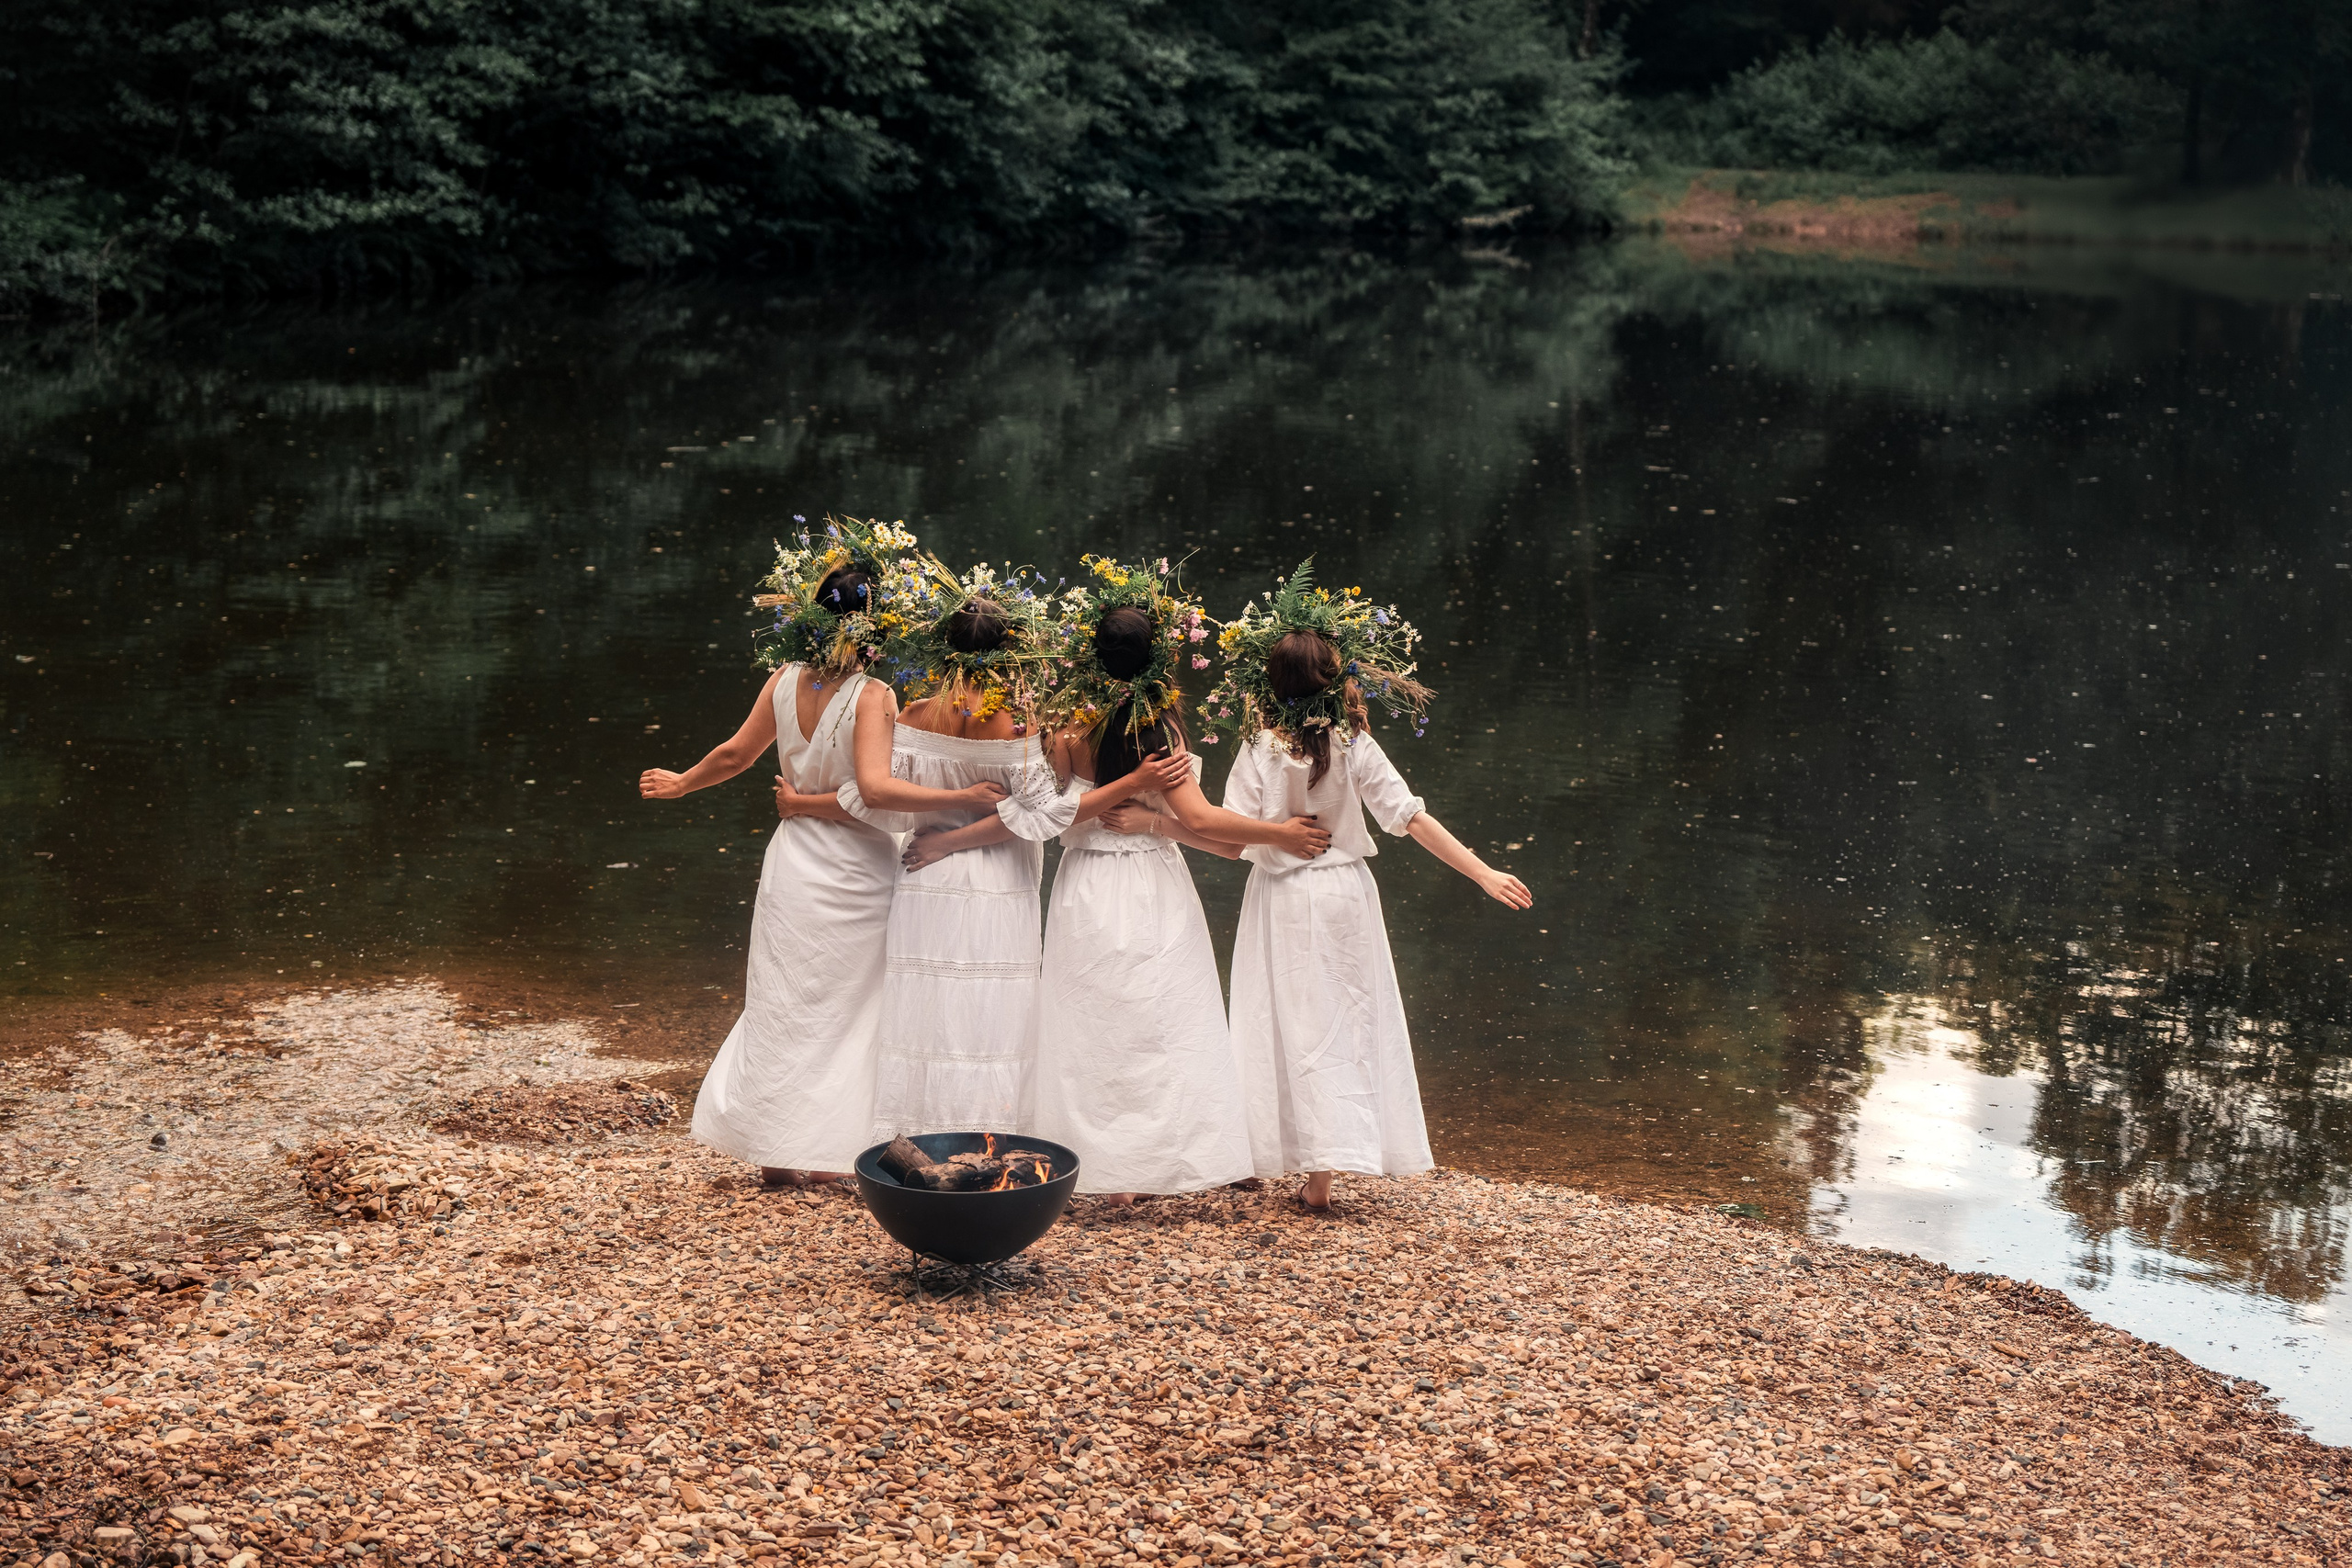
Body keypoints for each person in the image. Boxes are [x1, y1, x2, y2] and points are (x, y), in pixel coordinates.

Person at [899, 558, 1332, 1201]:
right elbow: (1202, 819)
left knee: (1089, 1023)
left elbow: (1051, 813)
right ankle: (1160, 1163)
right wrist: (1282, 835)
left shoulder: (1067, 724)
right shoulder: (1159, 725)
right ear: (1156, 657)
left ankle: (1098, 1168)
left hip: (1085, 884)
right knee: (1161, 1020)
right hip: (1150, 881)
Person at [638, 519, 995, 1186]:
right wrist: (963, 799)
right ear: (875, 627)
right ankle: (825, 1150)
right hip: (853, 867)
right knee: (848, 1005)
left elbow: (737, 754)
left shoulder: (784, 678)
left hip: (794, 859)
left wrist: (683, 781)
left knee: (787, 998)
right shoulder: (874, 695)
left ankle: (777, 1150)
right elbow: (876, 789)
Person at [775, 559, 1157, 1141]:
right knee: (991, 1012)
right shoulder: (1017, 724)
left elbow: (873, 798)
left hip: (922, 874)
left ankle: (918, 1137)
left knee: (925, 1007)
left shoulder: (912, 713)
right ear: (1010, 652)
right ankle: (987, 1136)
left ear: (944, 648)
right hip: (997, 885)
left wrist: (808, 805)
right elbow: (1043, 818)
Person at [1204, 559, 1532, 1210]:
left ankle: (1274, 1149)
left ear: (1269, 683)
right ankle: (1320, 1179)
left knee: (1285, 1022)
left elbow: (1233, 834)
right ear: (1334, 679)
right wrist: (1483, 871)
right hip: (1345, 895)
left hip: (1282, 899)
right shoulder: (1353, 740)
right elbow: (1410, 817)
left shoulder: (1259, 744)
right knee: (1342, 1023)